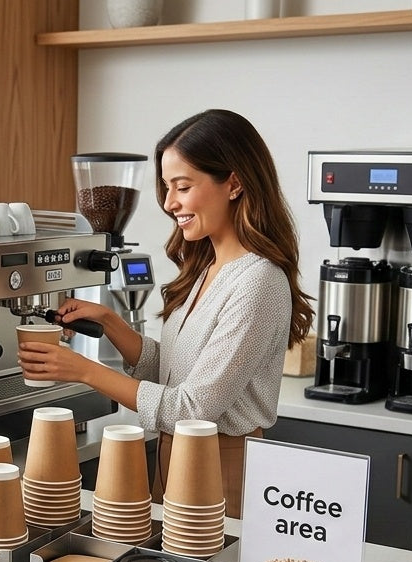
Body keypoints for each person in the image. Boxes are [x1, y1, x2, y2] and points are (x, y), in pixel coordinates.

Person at [18, 109, 314, 517]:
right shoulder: (207, 266)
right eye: (166, 187)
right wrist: (110, 322)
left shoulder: (258, 282)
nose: (170, 202)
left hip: (221, 466)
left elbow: (192, 409)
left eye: (183, 186)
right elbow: (174, 371)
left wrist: (83, 370)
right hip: (173, 457)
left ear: (234, 183)